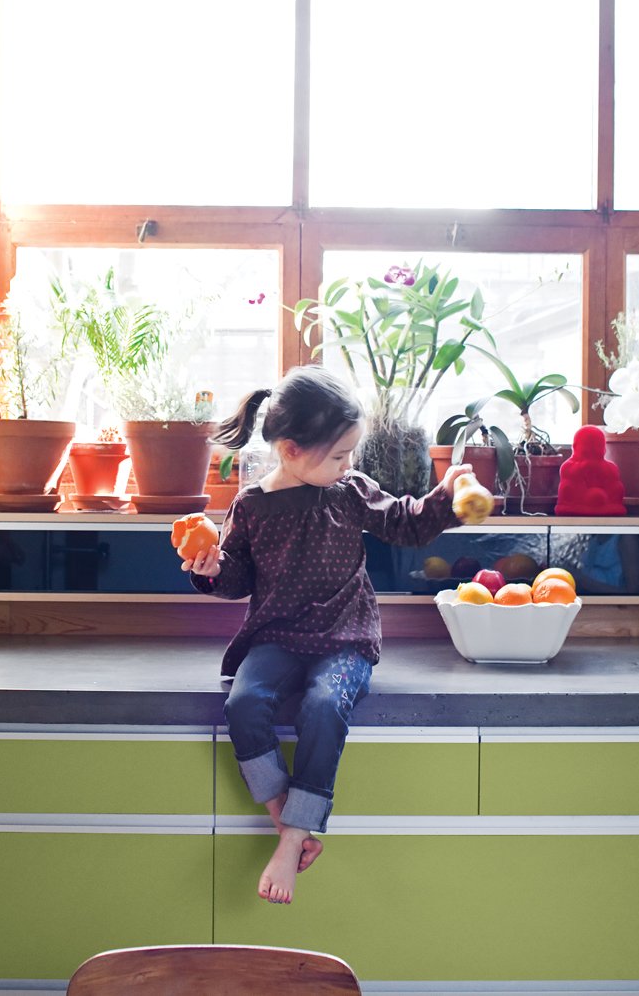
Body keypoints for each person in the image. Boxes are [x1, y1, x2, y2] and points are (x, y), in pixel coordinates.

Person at [182, 365, 471, 905]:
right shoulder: (251, 507)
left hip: (344, 637)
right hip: (276, 637)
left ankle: (293, 839)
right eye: (339, 456)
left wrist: (445, 496)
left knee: (322, 705)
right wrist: (211, 568)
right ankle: (282, 814)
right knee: (244, 703)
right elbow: (237, 579)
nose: (349, 465)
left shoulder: (350, 490)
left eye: (351, 455)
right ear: (290, 451)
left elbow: (404, 522)